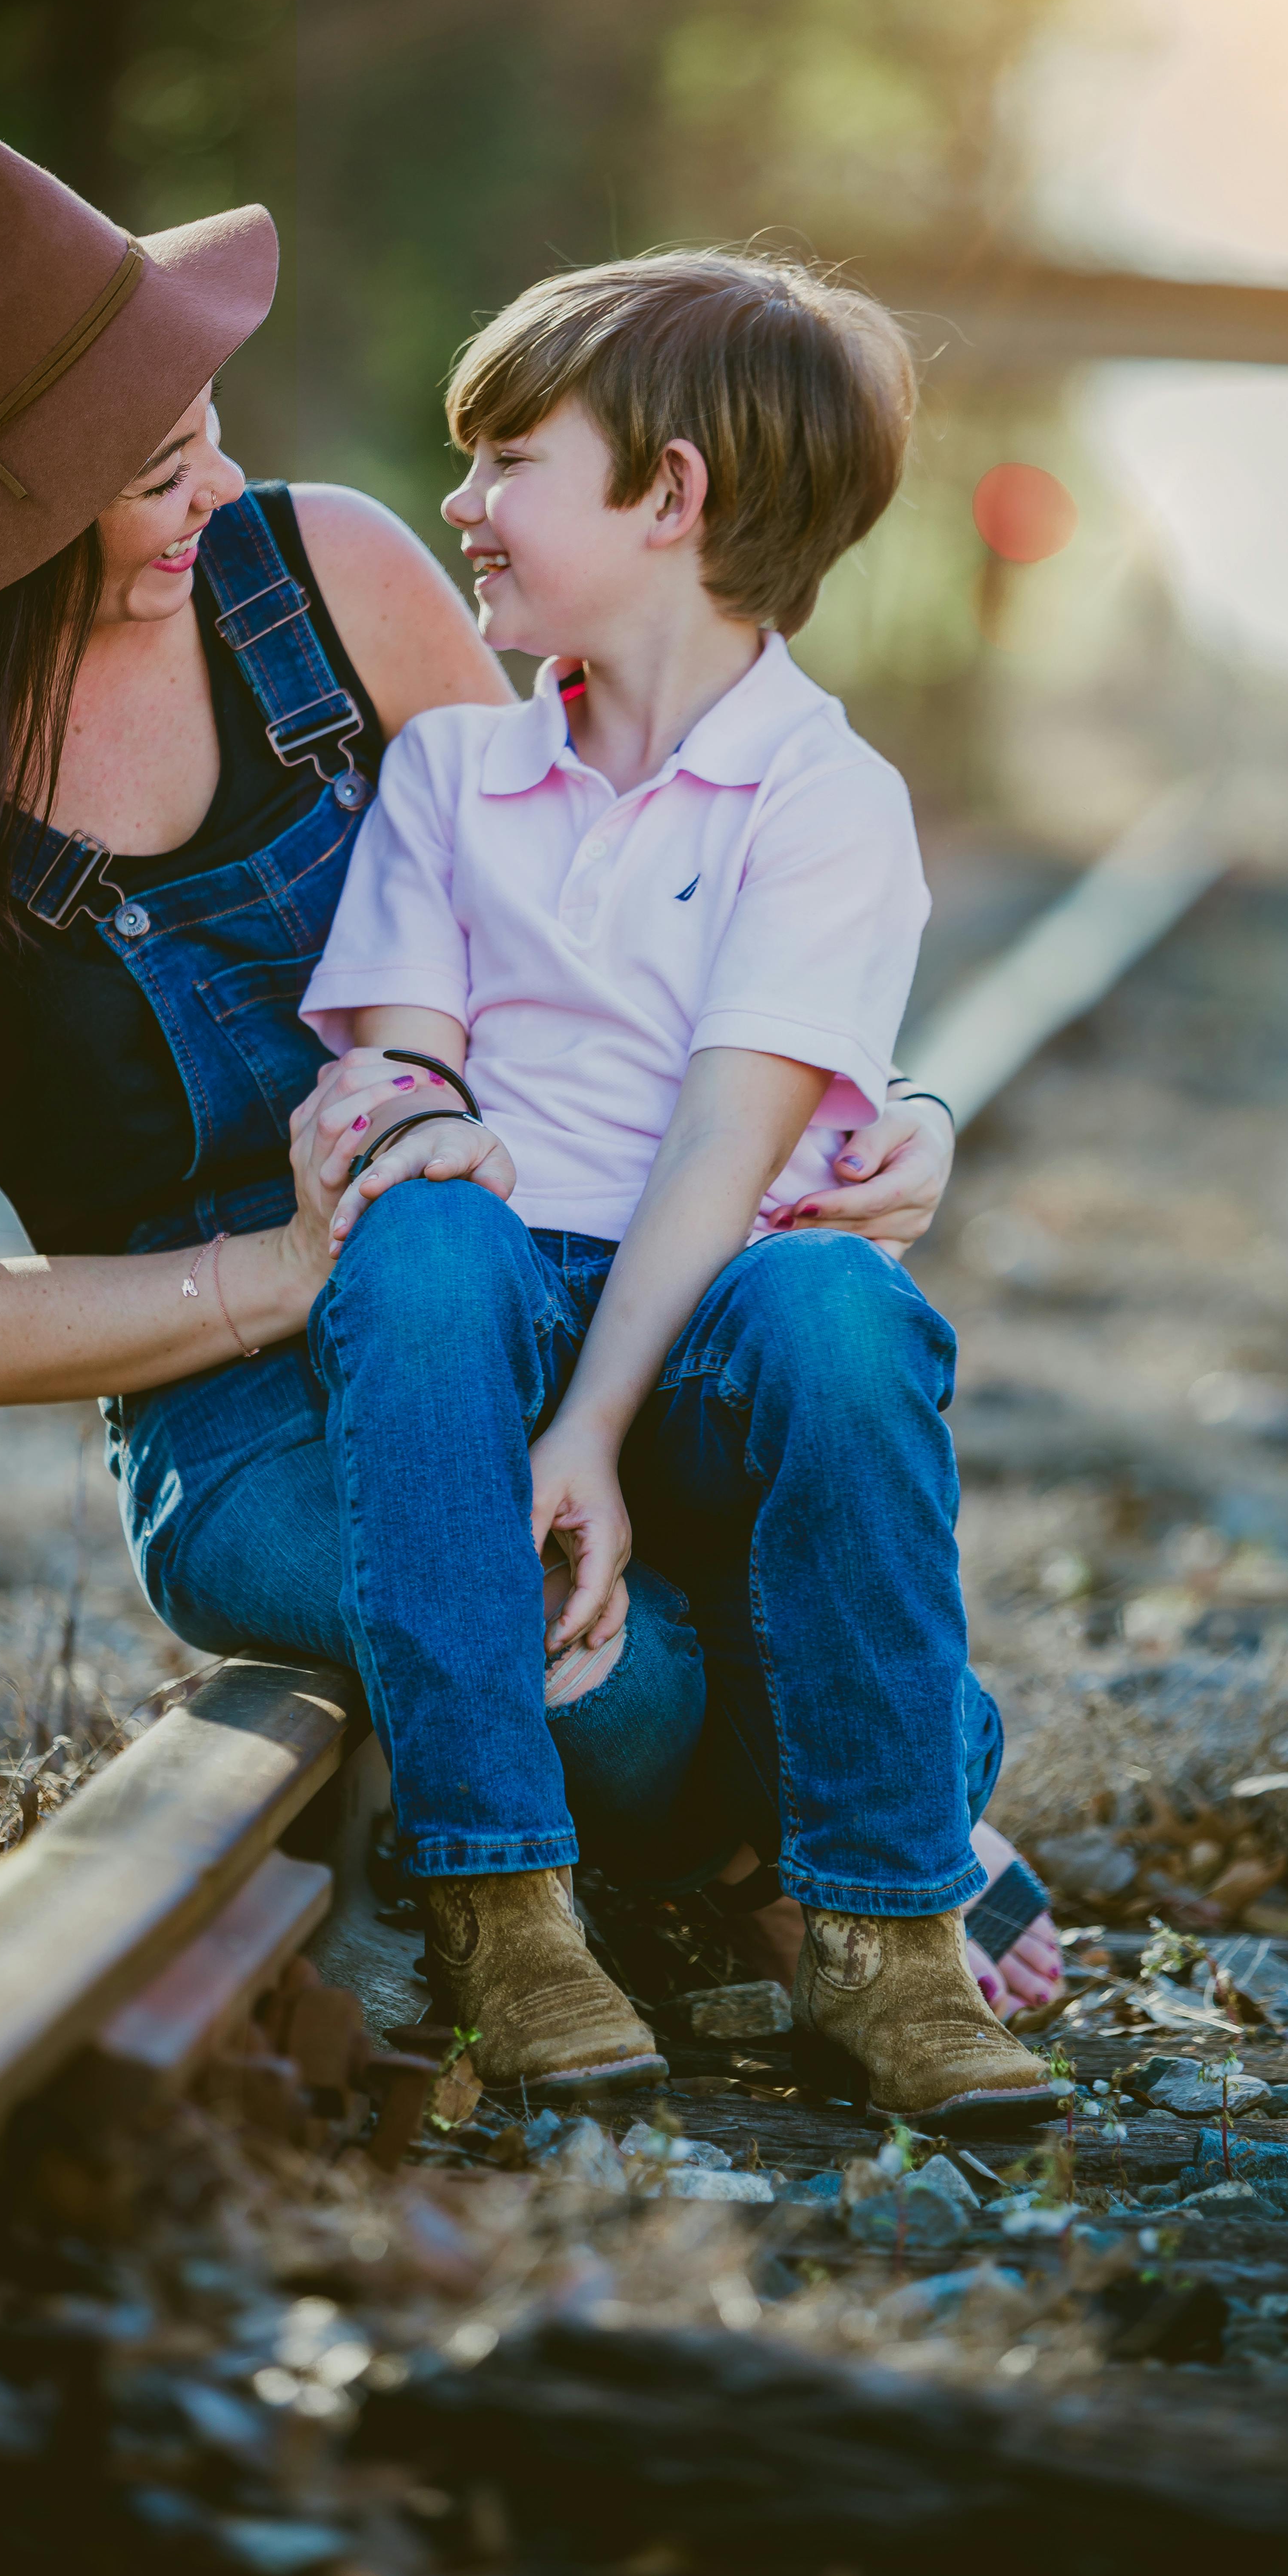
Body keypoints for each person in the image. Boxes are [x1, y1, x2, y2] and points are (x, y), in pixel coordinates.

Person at [0, 137, 1001, 2024]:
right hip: (238, 1412)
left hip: (517, 1288)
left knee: (817, 1391)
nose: (221, 488)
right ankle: (795, 1839)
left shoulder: (328, 578)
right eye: (162, 474)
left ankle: (884, 1848)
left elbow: (605, 936)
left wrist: (871, 1106)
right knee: (617, 1679)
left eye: (210, 428)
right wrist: (288, 1270)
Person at [288, 251, 1059, 2128]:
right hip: (490, 1293)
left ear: (673, 493)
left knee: (845, 1308)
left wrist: (597, 1431)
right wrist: (405, 1131)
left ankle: (885, 1927)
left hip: (704, 1316)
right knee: (422, 1240)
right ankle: (501, 1904)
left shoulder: (824, 794)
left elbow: (732, 1141)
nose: (457, 502)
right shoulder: (455, 774)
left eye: (509, 458)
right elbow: (412, 1082)